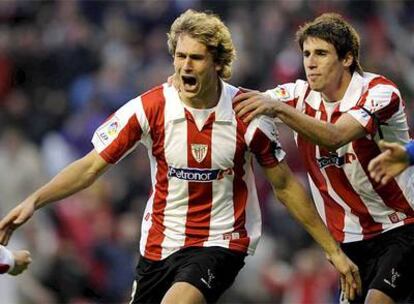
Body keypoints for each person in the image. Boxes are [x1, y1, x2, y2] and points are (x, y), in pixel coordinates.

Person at [0, 10, 360, 304]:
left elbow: (284, 186)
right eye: (180, 56)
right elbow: (91, 167)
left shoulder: (247, 112)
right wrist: (35, 199)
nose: (186, 66)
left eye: (197, 58)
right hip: (159, 243)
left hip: (221, 241)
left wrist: (333, 251)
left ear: (218, 63)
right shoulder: (150, 107)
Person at [234, 12, 414, 304]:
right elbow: (240, 102)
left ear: (347, 59)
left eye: (321, 53)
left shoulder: (379, 92)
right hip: (348, 241)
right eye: (306, 54)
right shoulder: (296, 95)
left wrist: (278, 110)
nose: (310, 63)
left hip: (402, 225)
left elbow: (335, 136)